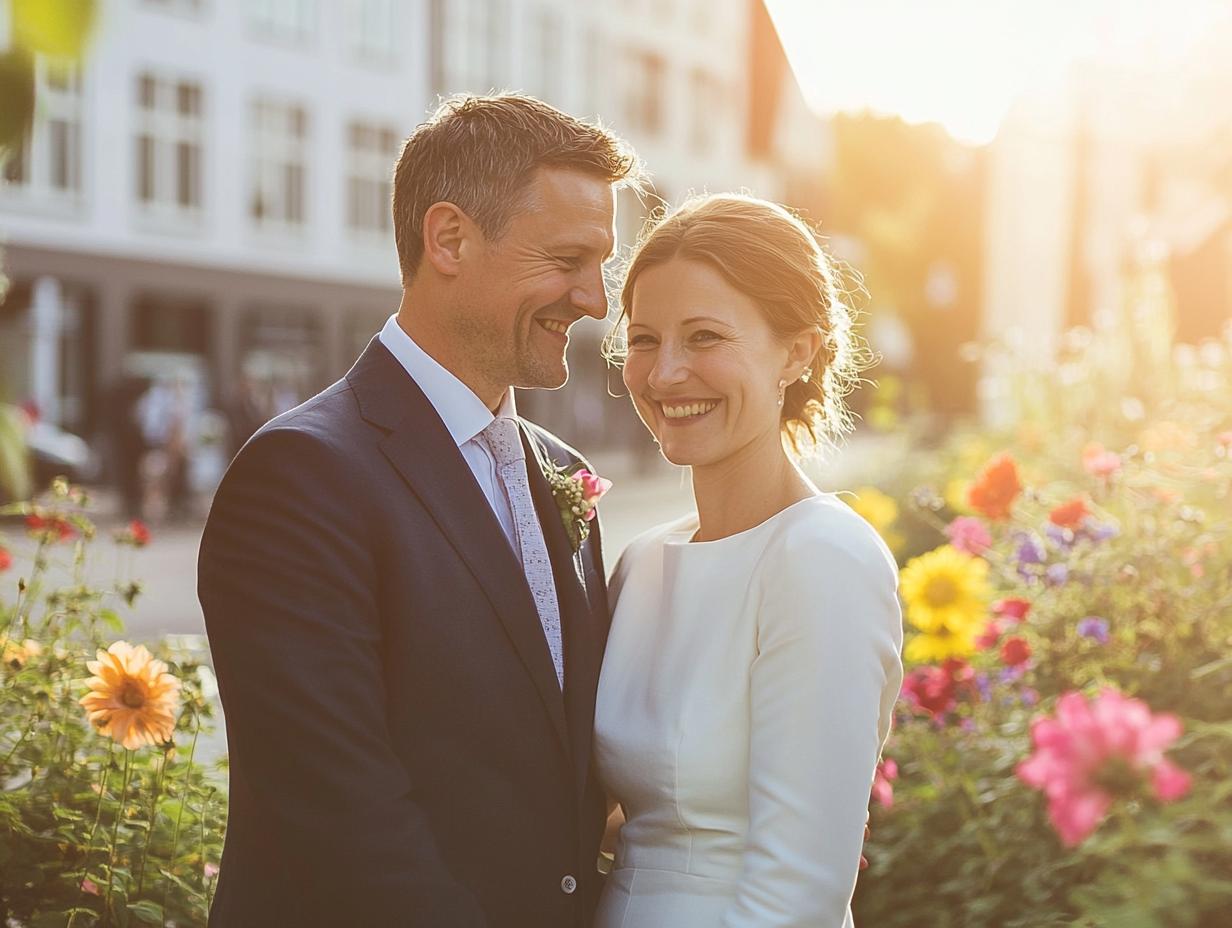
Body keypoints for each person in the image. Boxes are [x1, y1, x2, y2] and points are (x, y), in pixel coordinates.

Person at [198, 94, 641, 927]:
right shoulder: (300, 476)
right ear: (449, 239)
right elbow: (341, 819)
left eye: (602, 267)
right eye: (569, 260)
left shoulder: (562, 472)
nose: (595, 300)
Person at [594, 194, 904, 927]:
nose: (666, 373)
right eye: (645, 339)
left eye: (704, 338)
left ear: (796, 351)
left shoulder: (823, 559)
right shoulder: (641, 564)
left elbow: (796, 898)